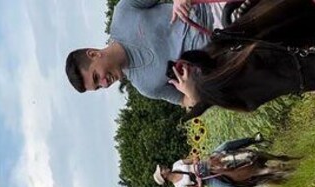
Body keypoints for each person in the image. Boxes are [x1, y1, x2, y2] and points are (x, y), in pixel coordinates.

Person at [64, 0, 220, 107]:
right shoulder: (146, 87)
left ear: (93, 54)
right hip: (222, 59)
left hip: (212, 11)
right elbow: (185, 101)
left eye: (96, 77)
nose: (104, 84)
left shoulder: (123, 12)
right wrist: (191, 91)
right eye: (98, 86)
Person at [153, 134, 298, 187]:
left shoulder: (176, 164)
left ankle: (253, 139)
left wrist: (196, 160)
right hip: (208, 179)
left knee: (226, 145)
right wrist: (198, 182)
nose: (164, 168)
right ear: (164, 177)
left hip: (206, 163)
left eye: (162, 168)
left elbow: (192, 159)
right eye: (162, 170)